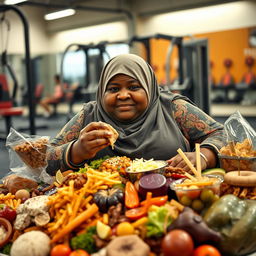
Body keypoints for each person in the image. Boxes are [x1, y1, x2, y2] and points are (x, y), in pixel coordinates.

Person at [46, 54, 226, 175]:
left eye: (134, 87)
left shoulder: (172, 108)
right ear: (102, 92)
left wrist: (204, 156)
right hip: (100, 208)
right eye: (113, 88)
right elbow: (45, 158)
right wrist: (76, 151)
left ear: (149, 87)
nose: (123, 95)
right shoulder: (89, 115)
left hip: (172, 201)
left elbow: (221, 134)